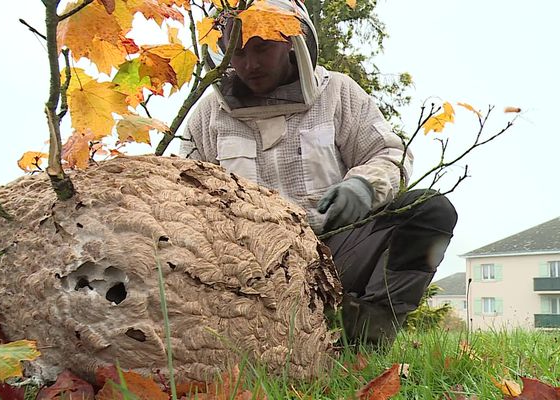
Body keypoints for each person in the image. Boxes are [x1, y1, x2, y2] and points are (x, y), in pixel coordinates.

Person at [180, 0, 457, 348]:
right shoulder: (207, 116)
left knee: (429, 211)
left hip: (334, 253)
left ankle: (368, 328)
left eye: (262, 48)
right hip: (242, 271)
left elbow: (390, 153)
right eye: (236, 52)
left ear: (292, 43)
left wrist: (364, 187)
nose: (249, 64)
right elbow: (185, 194)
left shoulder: (338, 92)